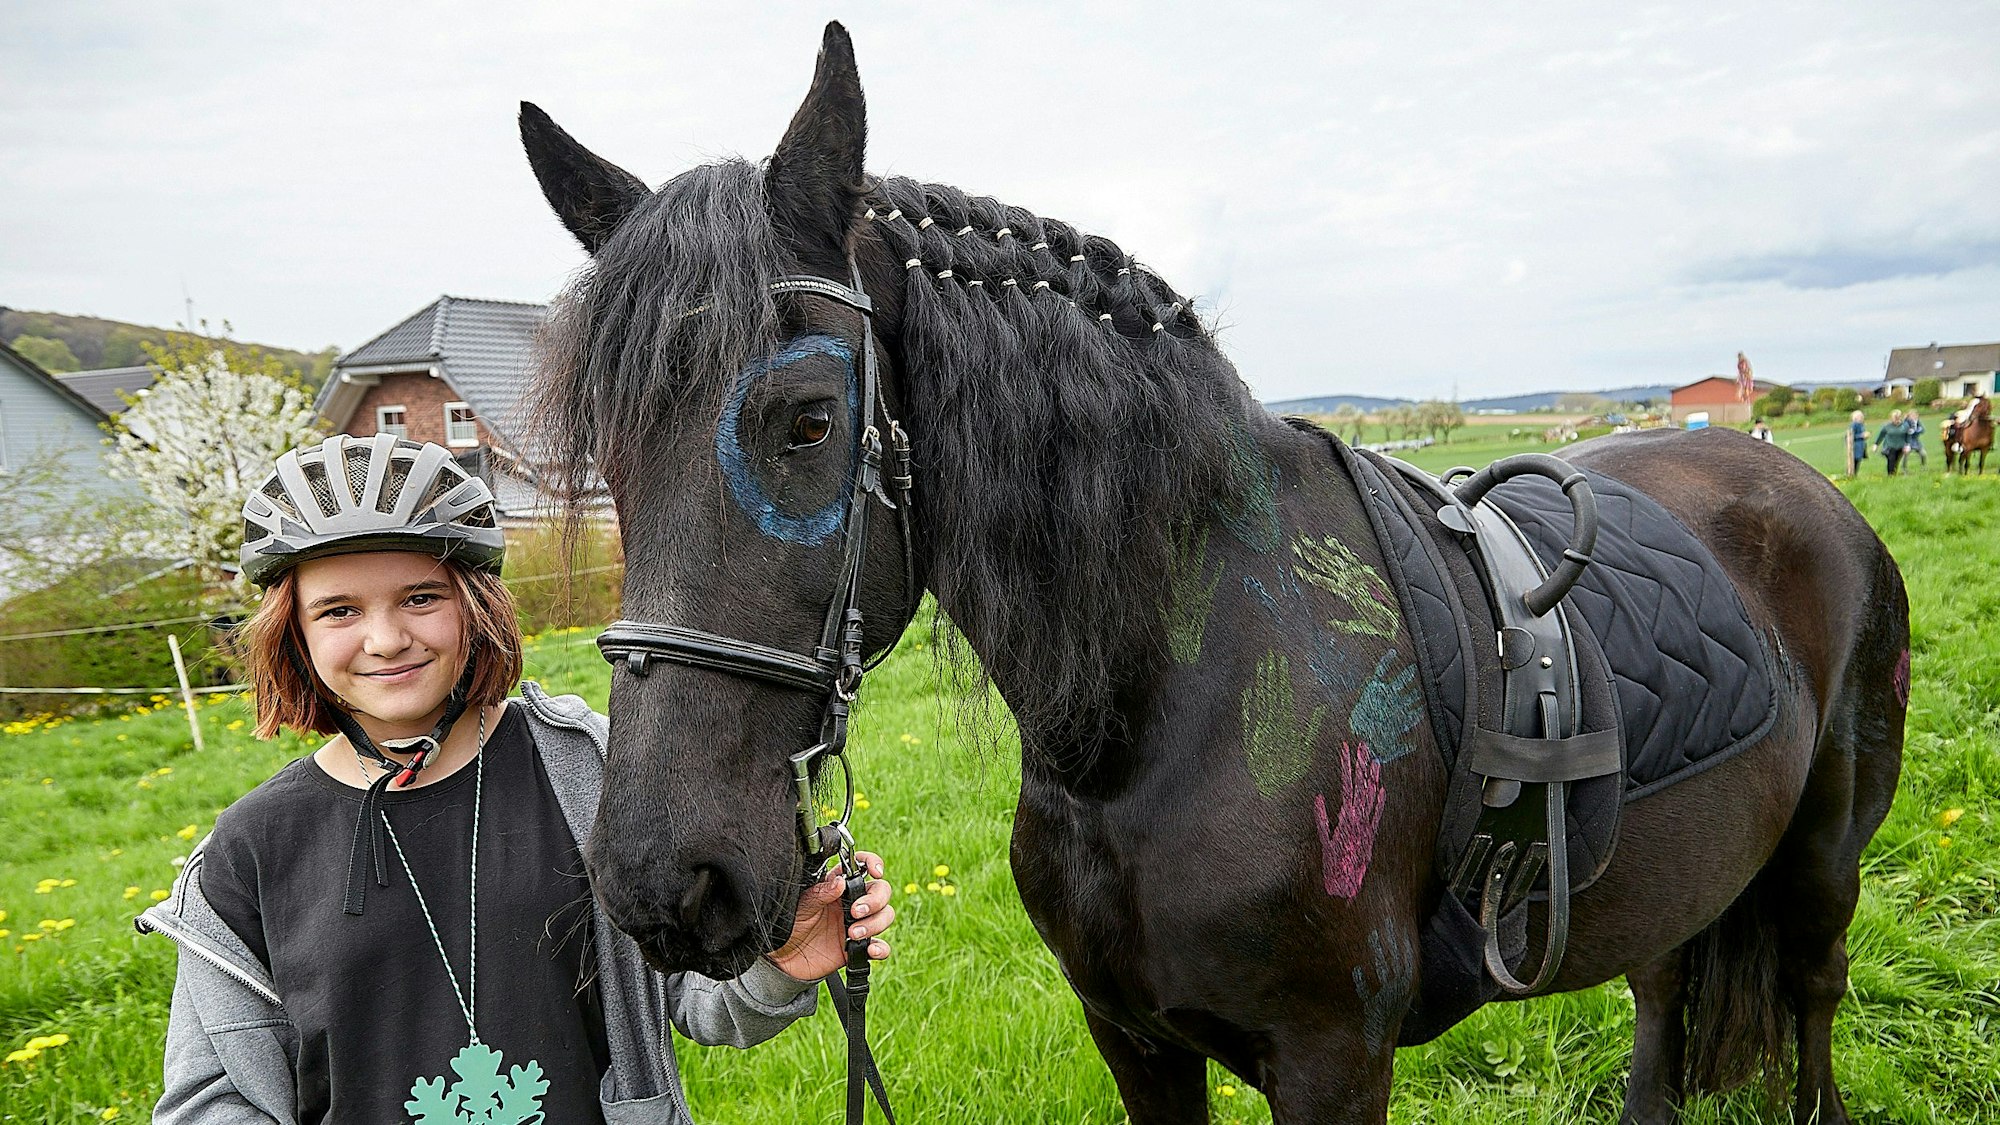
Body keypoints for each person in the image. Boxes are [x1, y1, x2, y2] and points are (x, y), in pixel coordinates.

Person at [139, 434, 895, 1124]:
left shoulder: (584, 770)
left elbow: (691, 996)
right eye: (338, 609)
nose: (385, 637)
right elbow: (211, 1098)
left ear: (475, 608)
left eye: (420, 597)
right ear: (293, 634)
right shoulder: (248, 854)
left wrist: (778, 965)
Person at [1875, 409, 1909, 475]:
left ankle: (1894, 474)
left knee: (1896, 461)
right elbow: (1881, 435)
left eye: (1898, 418)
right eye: (1895, 418)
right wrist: (1876, 444)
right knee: (1891, 461)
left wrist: (1907, 445)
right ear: (1891, 418)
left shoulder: (1905, 426)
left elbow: (1907, 436)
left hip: (1900, 447)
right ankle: (1890, 476)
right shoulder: (1887, 426)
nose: (1896, 420)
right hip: (1889, 447)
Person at [1847, 409, 1868, 477]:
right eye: (1860, 417)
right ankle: (1851, 475)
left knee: (1858, 461)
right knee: (1854, 461)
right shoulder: (1854, 425)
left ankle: (1854, 475)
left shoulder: (1861, 425)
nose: (1862, 418)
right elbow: (1850, 436)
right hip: (1855, 447)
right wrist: (1861, 436)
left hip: (1861, 446)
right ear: (1855, 418)